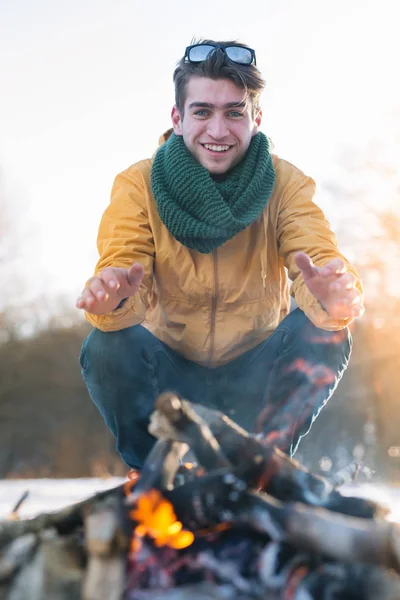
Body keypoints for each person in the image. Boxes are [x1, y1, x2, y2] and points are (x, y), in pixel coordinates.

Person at [76, 40, 364, 470]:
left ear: (256, 118)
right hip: (169, 383)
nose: (218, 130)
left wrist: (332, 297)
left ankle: (261, 471)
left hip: (255, 382)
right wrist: (112, 297)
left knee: (327, 332)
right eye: (202, 112)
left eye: (234, 112)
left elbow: (316, 256)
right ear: (177, 118)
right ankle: (155, 477)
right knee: (105, 345)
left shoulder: (286, 184)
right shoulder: (138, 183)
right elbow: (122, 263)